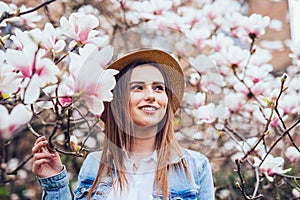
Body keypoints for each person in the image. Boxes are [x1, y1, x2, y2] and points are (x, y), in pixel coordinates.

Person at [32, 48, 215, 200]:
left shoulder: (196, 167)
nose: (151, 95)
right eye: (138, 87)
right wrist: (55, 183)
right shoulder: (94, 165)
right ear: (118, 100)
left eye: (158, 88)